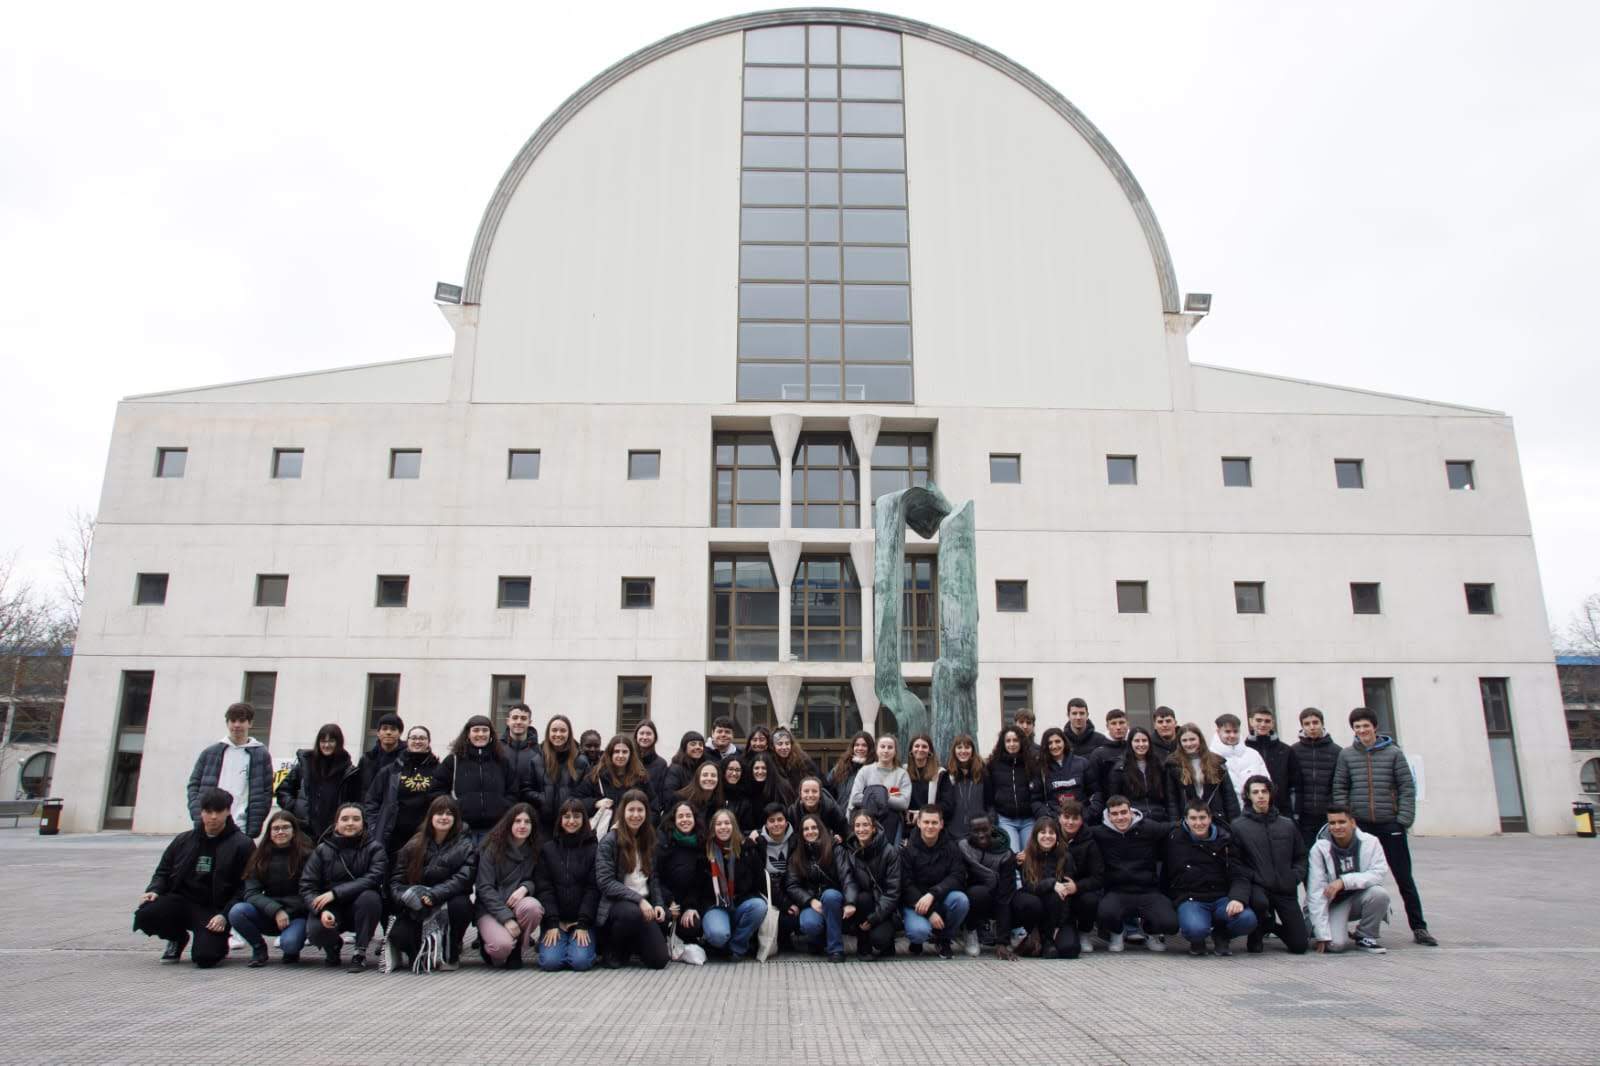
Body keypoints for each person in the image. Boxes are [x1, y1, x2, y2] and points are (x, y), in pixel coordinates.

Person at [1333, 707, 1436, 945]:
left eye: (1365, 726)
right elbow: (1340, 787)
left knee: (1404, 877)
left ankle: (1419, 927)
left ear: (1374, 726)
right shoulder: (1347, 755)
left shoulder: (1393, 753)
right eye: (1357, 727)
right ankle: (1363, 927)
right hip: (1360, 826)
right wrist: (1348, 821)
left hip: (1390, 823)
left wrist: (1403, 820)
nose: (1362, 731)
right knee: (1358, 877)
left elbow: (1406, 788)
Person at [134, 786, 253, 967]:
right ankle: (176, 938)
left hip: (214, 909)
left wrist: (224, 915)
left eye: (219, 811)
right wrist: (154, 890)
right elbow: (163, 871)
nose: (213, 817)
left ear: (228, 811)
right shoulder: (184, 840)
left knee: (206, 957)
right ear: (201, 812)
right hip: (182, 900)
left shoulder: (242, 844)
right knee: (146, 914)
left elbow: (245, 886)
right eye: (208, 811)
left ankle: (217, 942)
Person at [386, 795, 477, 971]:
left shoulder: (466, 846)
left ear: (456, 818)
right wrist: (410, 897)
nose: (444, 817)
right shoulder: (413, 844)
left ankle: (451, 949)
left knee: (461, 905)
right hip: (417, 904)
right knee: (399, 935)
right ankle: (423, 952)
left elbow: (463, 879)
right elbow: (396, 881)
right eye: (439, 813)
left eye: (449, 814)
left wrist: (434, 895)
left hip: (446, 901)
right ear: (430, 816)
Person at [300, 802, 387, 971]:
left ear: (363, 823)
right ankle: (332, 948)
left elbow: (373, 878)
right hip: (331, 907)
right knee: (316, 929)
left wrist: (335, 893)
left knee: (370, 898)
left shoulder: (375, 849)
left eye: (356, 819)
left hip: (360, 907)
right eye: (345, 819)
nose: (350, 823)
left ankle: (359, 953)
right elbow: (307, 886)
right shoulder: (321, 850)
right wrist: (320, 910)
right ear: (336, 823)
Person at [1166, 799, 1257, 956]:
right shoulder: (1174, 840)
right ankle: (1197, 940)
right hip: (1191, 899)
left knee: (1248, 919)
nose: (1198, 823)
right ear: (1186, 820)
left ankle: (1222, 935)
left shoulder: (1226, 840)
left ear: (1210, 818)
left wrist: (1238, 899)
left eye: (1202, 818)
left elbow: (1239, 874)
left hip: (1222, 898)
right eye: (1193, 818)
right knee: (1196, 929)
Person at [1231, 776, 1309, 955]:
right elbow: (1236, 862)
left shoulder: (1287, 825)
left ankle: (1270, 925)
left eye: (1264, 791)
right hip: (1259, 888)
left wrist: (1295, 876)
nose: (1260, 796)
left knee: (1299, 946)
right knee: (1259, 906)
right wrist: (1254, 878)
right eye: (1255, 792)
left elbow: (1301, 856)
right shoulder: (1239, 826)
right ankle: (1257, 932)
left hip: (1285, 888)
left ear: (1271, 794)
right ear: (1248, 796)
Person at [1091, 795, 1178, 952]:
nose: (1120, 817)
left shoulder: (1148, 827)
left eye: (1124, 812)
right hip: (1117, 891)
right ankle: (1117, 932)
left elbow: (1173, 827)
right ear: (1108, 815)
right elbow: (1076, 833)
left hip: (1147, 890)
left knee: (1170, 924)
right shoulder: (1100, 833)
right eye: (1115, 814)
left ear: (1131, 812)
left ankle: (1150, 932)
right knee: (1104, 913)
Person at [594, 789, 669, 969]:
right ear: (623, 812)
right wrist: (640, 900)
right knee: (631, 913)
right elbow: (605, 882)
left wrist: (658, 903)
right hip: (617, 905)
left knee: (659, 960)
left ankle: (635, 943)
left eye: (640, 810)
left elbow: (653, 878)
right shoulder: (610, 841)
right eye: (631, 810)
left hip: (643, 906)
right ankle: (614, 950)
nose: (636, 815)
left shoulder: (649, 839)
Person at [230, 809, 313, 966]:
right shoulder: (259, 857)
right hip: (269, 914)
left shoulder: (308, 856)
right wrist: (276, 910)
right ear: (269, 832)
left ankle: (292, 950)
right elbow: (251, 893)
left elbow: (311, 891)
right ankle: (258, 948)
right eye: (275, 828)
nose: (280, 832)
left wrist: (287, 911)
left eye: (285, 827)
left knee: (290, 945)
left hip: (297, 915)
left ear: (294, 831)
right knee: (237, 911)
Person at [1308, 806, 1392, 954]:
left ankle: (1365, 936)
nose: (1337, 827)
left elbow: (1378, 873)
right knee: (1335, 945)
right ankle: (1322, 928)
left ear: (1353, 823)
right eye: (1332, 823)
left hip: (1359, 898)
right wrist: (1322, 934)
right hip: (1332, 903)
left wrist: (1343, 881)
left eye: (1342, 822)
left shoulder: (1371, 842)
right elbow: (1316, 892)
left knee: (1379, 894)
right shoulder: (1319, 849)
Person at [187, 702, 272, 839]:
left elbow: (266, 792)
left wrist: (257, 819)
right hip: (210, 826)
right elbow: (194, 786)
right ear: (227, 723)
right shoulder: (210, 753)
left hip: (242, 827)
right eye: (232, 720)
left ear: (250, 723)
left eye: (242, 721)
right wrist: (199, 814)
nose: (236, 725)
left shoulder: (261, 755)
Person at [475, 802, 544, 969]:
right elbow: (484, 888)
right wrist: (506, 919)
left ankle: (517, 948)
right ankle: (490, 943)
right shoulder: (491, 847)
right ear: (509, 823)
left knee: (533, 907)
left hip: (517, 904)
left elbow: (538, 878)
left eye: (527, 822)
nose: (522, 826)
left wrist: (525, 888)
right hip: (491, 908)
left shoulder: (535, 849)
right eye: (517, 821)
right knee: (500, 949)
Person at [535, 799, 599, 971]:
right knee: (550, 963)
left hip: (582, 921)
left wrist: (583, 923)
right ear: (560, 820)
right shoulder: (548, 849)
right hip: (556, 922)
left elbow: (593, 889)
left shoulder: (593, 848)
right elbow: (544, 888)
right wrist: (552, 923)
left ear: (584, 819)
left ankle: (584, 946)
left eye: (577, 816)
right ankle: (555, 944)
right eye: (567, 816)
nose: (571, 821)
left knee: (580, 962)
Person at [432, 715, 518, 843]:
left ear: (491, 734)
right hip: (462, 830)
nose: (481, 734)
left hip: (494, 829)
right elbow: (437, 789)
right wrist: (454, 807)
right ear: (468, 734)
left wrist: (503, 806)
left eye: (485, 730)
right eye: (476, 730)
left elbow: (514, 791)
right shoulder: (454, 760)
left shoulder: (502, 761)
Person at [899, 806, 970, 959]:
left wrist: (933, 893)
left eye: (934, 822)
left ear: (941, 824)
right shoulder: (907, 850)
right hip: (915, 903)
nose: (930, 826)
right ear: (918, 823)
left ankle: (944, 939)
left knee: (961, 900)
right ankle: (918, 940)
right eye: (926, 822)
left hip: (941, 898)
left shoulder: (951, 847)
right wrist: (930, 913)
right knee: (919, 932)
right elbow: (905, 885)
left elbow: (957, 876)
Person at [785, 812, 856, 962]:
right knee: (809, 924)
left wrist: (850, 902)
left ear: (821, 829)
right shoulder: (796, 855)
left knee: (830, 896)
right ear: (801, 833)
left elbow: (847, 876)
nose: (810, 831)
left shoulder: (835, 849)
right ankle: (818, 940)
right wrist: (810, 900)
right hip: (811, 902)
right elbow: (792, 885)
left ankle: (836, 950)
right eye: (806, 829)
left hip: (834, 900)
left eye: (814, 827)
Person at [365, 725, 440, 864]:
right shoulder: (390, 770)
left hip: (426, 834)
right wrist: (375, 827)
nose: (418, 741)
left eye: (422, 738)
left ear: (428, 742)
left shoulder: (439, 770)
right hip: (393, 835)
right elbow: (372, 801)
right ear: (407, 741)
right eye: (414, 738)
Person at [274, 723, 360, 843]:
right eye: (323, 741)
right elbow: (283, 790)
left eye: (331, 741)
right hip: (304, 832)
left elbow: (354, 802)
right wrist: (296, 809)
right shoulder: (305, 766)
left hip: (333, 834)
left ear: (339, 743)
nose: (326, 745)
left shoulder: (348, 771)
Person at [701, 807, 768, 960]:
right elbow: (696, 885)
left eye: (727, 823)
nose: (723, 827)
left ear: (734, 826)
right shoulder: (704, 851)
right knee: (718, 935)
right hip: (715, 906)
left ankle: (737, 947)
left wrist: (784, 904)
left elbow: (760, 880)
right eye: (719, 824)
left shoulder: (746, 849)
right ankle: (720, 942)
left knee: (759, 906)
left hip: (740, 903)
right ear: (713, 828)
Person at [1014, 816, 1083, 958]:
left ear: (1057, 836)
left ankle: (1048, 938)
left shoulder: (1066, 857)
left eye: (1051, 833)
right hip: (1036, 908)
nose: (1047, 836)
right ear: (1035, 836)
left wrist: (1059, 926)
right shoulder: (1026, 857)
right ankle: (1038, 936)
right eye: (1043, 832)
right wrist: (1052, 883)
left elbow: (1067, 895)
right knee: (1036, 899)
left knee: (1070, 950)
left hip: (1058, 914)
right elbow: (1028, 886)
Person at [957, 813, 1017, 958]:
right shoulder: (962, 847)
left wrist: (1002, 943)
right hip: (973, 898)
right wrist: (989, 876)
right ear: (969, 832)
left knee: (1024, 903)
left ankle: (1002, 935)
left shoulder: (1006, 854)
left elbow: (1005, 895)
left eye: (985, 830)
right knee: (977, 894)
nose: (981, 835)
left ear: (993, 828)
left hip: (998, 897)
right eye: (976, 832)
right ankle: (970, 930)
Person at [844, 810, 901, 958]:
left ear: (874, 828)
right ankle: (863, 945)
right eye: (857, 825)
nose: (861, 829)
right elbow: (849, 880)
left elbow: (893, 891)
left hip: (885, 907)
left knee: (880, 939)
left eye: (865, 825)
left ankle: (887, 943)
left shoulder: (889, 852)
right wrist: (850, 902)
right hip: (862, 904)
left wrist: (874, 917)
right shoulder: (850, 850)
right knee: (862, 898)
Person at [1054, 801, 1105, 949]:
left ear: (1081, 820)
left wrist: (1076, 887)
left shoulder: (1090, 843)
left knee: (1090, 900)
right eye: (1066, 817)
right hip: (1055, 893)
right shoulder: (1049, 835)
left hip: (1079, 893)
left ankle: (1084, 932)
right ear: (1059, 818)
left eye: (1075, 818)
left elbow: (1098, 877)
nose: (1070, 822)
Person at [1165, 723, 1240, 825]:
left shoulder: (1217, 762)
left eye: (1192, 739)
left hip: (1216, 818)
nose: (1189, 743)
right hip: (1188, 820)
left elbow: (1229, 797)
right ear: (1179, 742)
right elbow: (1172, 801)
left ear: (1200, 739)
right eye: (1185, 740)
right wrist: (1175, 825)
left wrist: (1235, 824)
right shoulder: (1173, 765)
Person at [657, 801, 708, 949]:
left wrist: (691, 907)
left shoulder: (701, 842)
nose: (685, 820)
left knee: (693, 925)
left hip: (687, 903)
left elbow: (699, 882)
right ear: (674, 820)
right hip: (665, 901)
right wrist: (669, 901)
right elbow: (655, 876)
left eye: (688, 816)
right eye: (680, 816)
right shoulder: (663, 841)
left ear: (694, 818)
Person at [1292, 707, 1342, 857]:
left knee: (1331, 855)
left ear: (1322, 723)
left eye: (1315, 722)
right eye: (1307, 723)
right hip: (1304, 815)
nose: (1312, 727)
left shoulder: (1337, 751)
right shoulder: (1294, 751)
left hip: (1328, 815)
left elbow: (1340, 784)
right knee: (1307, 856)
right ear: (1302, 726)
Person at [847, 735, 912, 845]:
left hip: (893, 824)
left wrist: (874, 796)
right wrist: (885, 798)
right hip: (866, 823)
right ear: (877, 750)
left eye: (890, 747)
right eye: (882, 747)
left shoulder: (902, 774)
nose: (886, 750)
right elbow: (855, 798)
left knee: (891, 856)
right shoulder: (865, 771)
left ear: (895, 751)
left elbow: (903, 803)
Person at [987, 725, 1042, 853]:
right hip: (1006, 819)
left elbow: (1037, 791)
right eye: (1008, 741)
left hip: (1028, 819)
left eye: (1016, 740)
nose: (1012, 744)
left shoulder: (1031, 763)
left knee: (1030, 856)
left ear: (1021, 742)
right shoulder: (994, 764)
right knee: (1013, 854)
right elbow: (989, 794)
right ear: (1003, 743)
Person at [578, 735, 654, 827]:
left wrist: (639, 824)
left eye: (625, 752)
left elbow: (653, 809)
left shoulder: (641, 778)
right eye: (616, 751)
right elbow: (577, 802)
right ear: (610, 753)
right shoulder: (596, 776)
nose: (621, 755)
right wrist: (595, 803)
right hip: (603, 835)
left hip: (634, 833)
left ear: (631, 754)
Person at [539, 715, 590, 837]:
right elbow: (527, 789)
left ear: (569, 733)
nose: (558, 734)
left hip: (572, 824)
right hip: (544, 827)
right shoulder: (537, 759)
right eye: (554, 730)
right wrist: (543, 798)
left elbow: (587, 792)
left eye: (563, 730)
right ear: (548, 733)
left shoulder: (581, 762)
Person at [1245, 707, 1302, 817]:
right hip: (1251, 812)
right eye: (1259, 720)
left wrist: (1295, 812)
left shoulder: (1286, 750)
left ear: (1272, 724)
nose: (1263, 724)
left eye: (1267, 721)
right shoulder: (1243, 750)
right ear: (1251, 721)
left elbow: (1295, 785)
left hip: (1282, 811)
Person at [1104, 726, 1168, 822]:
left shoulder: (1158, 765)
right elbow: (1114, 798)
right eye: (1137, 741)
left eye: (1144, 740)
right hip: (1133, 818)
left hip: (1160, 816)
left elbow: (1167, 796)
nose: (1141, 744)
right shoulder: (1120, 768)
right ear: (1130, 743)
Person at [1211, 714, 1269, 806]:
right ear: (1218, 732)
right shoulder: (1210, 757)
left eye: (1235, 731)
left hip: (1254, 810)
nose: (1232, 735)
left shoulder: (1253, 754)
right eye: (1227, 731)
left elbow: (1266, 783)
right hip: (1226, 812)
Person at [1038, 726, 1091, 818]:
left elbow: (1094, 793)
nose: (1054, 746)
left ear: (1064, 742)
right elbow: (1037, 801)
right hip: (1054, 820)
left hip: (1081, 817)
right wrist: (1052, 817)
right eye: (1050, 743)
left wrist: (1087, 815)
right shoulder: (1040, 768)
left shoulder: (1082, 763)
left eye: (1057, 741)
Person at [502, 703, 546, 814]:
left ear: (529, 722)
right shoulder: (497, 749)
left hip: (531, 812)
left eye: (523, 718)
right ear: (508, 721)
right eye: (515, 718)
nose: (519, 722)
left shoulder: (540, 751)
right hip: (501, 812)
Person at [1084, 709, 1130, 807]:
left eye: (1121, 723)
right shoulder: (1098, 754)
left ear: (1127, 724)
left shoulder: (1135, 748)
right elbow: (1095, 788)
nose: (1118, 727)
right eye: (1113, 723)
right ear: (1107, 727)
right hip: (1110, 807)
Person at [943, 734, 989, 835]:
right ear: (954, 750)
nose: (963, 751)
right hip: (953, 832)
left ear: (972, 750)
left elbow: (990, 802)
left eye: (967, 747)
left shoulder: (983, 772)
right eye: (959, 747)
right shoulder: (946, 773)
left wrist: (990, 822)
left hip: (979, 832)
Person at [904, 733, 950, 829]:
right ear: (911, 750)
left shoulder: (941, 774)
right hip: (908, 826)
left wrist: (922, 813)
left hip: (931, 826)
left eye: (924, 746)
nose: (920, 749)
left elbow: (947, 804)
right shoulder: (903, 772)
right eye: (916, 746)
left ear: (930, 751)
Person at [356, 713, 405, 799]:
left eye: (393, 729)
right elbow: (359, 789)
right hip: (369, 809)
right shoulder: (367, 759)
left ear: (400, 733)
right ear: (378, 733)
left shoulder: (406, 758)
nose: (388, 732)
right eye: (384, 728)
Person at [789, 775, 848, 841]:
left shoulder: (831, 809)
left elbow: (844, 831)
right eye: (806, 791)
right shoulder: (793, 812)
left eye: (814, 791)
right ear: (800, 794)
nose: (810, 795)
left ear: (820, 794)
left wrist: (838, 838)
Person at [744, 751, 797, 818]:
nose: (760, 772)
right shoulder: (748, 787)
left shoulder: (782, 787)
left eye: (764, 768)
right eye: (756, 768)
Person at [673, 760, 726, 826]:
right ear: (698, 778)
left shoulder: (719, 802)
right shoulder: (680, 798)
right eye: (705, 775)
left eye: (713, 775)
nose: (709, 778)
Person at [829, 731, 875, 807]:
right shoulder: (840, 767)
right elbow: (828, 789)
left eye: (864, 745)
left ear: (870, 748)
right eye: (857, 745)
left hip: (864, 815)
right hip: (842, 814)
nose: (860, 748)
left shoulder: (874, 768)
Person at [661, 730, 708, 803]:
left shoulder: (704, 768)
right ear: (684, 747)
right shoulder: (675, 769)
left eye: (700, 744)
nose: (698, 747)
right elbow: (669, 797)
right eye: (693, 744)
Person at [770, 727, 819, 793]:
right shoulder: (770, 761)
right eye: (780, 744)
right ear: (773, 746)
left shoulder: (803, 761)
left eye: (787, 743)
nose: (784, 747)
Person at [634, 719, 670, 807]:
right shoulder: (630, 761)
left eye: (649, 734)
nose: (645, 737)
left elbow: (661, 794)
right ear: (636, 736)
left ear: (655, 738)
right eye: (641, 733)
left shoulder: (661, 764)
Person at [722, 755, 755, 829]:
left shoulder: (745, 801)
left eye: (738, 770)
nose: (734, 773)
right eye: (730, 769)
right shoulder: (715, 794)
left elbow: (747, 829)